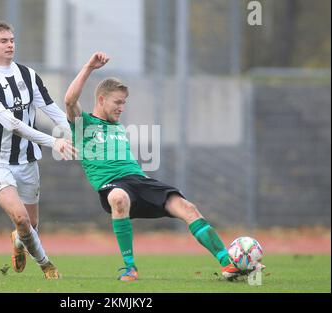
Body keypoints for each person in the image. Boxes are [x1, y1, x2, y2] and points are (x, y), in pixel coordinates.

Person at [65, 52, 263, 281]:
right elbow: (70, 100)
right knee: (118, 198)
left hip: (138, 180)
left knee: (188, 208)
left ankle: (229, 265)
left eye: (124, 103)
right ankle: (130, 267)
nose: (121, 108)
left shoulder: (117, 126)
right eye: (117, 102)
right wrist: (89, 67)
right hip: (113, 185)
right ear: (101, 100)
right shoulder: (83, 124)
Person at [0, 21, 75, 279]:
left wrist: (73, 132)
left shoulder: (28, 75)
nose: (10, 45)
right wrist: (54, 141)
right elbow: (12, 124)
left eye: (12, 40)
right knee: (21, 219)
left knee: (30, 225)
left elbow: (51, 109)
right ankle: (46, 264)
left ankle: (19, 243)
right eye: (3, 41)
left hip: (27, 161)